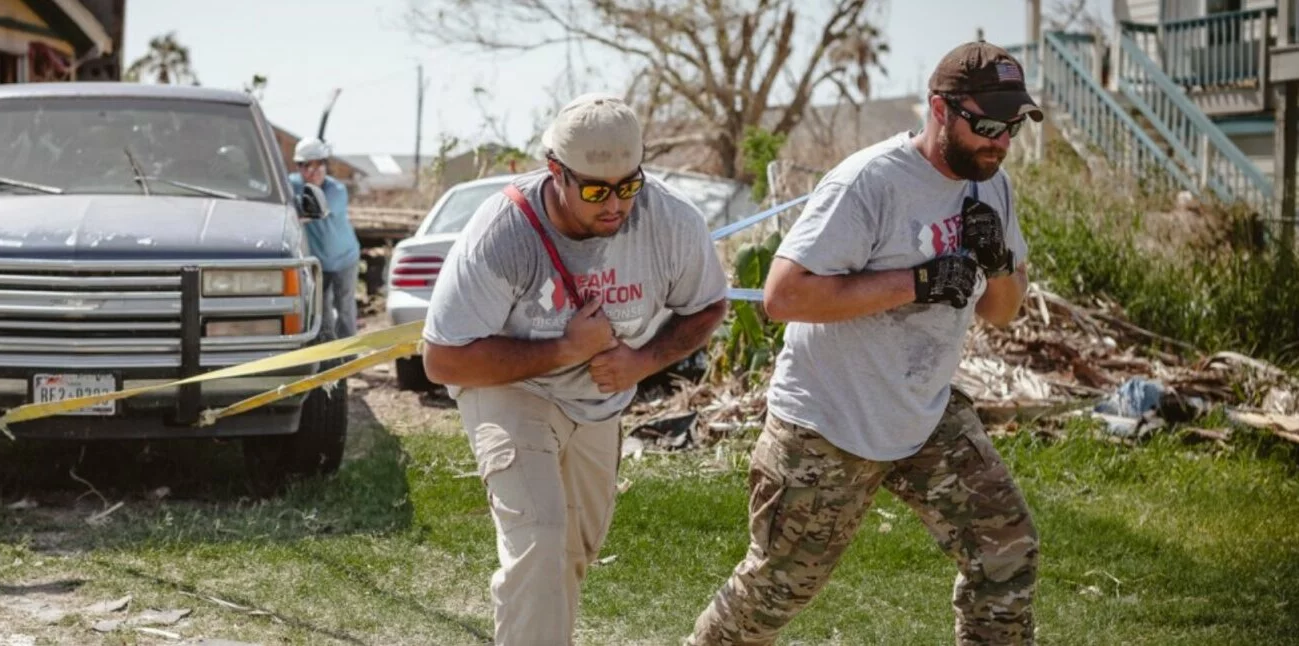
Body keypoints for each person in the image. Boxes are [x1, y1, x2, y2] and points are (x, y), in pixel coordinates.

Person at [685, 40, 1041, 645]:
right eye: (985, 125)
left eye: (1011, 128)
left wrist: (997, 260)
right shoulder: (870, 182)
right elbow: (784, 295)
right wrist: (919, 281)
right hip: (829, 423)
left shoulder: (992, 188)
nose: (999, 143)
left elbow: (1003, 312)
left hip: (923, 413)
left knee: (1006, 552)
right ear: (939, 109)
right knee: (776, 590)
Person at [421, 93, 728, 645]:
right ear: (555, 171)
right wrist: (564, 349)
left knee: (569, 557)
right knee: (538, 541)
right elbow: (441, 358)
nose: (614, 205)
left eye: (628, 186)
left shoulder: (672, 221)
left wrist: (642, 360)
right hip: (511, 388)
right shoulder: (503, 234)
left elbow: (707, 306)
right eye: (594, 190)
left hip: (599, 400)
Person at [288, 137, 360, 339]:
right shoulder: (291, 184)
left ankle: (349, 359)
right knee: (322, 313)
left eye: (318, 164)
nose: (313, 171)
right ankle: (329, 363)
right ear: (299, 167)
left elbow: (313, 211)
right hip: (318, 262)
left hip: (345, 259)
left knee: (345, 308)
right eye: (306, 165)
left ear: (325, 165)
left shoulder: (336, 190)